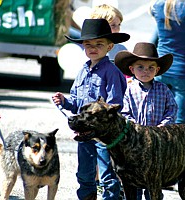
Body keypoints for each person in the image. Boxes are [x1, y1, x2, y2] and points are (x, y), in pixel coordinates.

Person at [52, 18, 129, 200]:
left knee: (107, 174)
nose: (93, 48)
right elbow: (77, 103)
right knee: (85, 174)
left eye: (98, 44)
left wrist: (99, 120)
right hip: (84, 133)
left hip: (104, 136)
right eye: (88, 44)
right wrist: (65, 101)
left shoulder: (111, 72)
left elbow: (115, 104)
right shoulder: (82, 71)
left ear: (110, 47)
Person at [114, 42, 178, 200]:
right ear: (132, 69)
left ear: (157, 70)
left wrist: (164, 125)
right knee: (133, 179)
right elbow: (124, 112)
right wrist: (134, 128)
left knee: (154, 179)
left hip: (156, 142)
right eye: (140, 67)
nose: (145, 71)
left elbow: (172, 109)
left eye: (151, 67)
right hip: (134, 142)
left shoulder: (163, 89)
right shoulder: (128, 89)